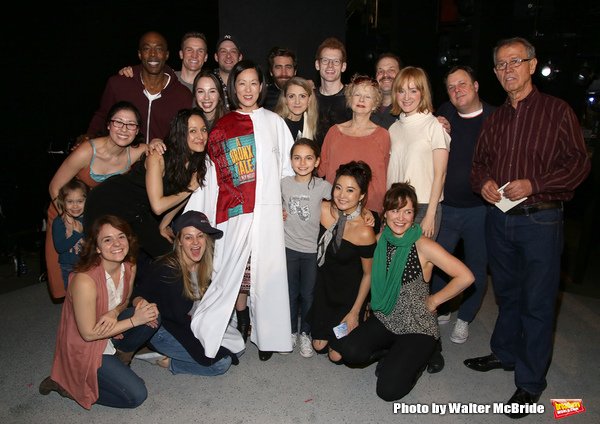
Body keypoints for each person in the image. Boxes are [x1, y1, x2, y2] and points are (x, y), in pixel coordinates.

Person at [467, 37, 591, 419]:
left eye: (515, 62)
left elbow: (579, 163)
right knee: (507, 295)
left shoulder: (557, 111)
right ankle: (504, 353)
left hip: (541, 219)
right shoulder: (497, 118)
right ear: (495, 73)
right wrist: (483, 183)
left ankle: (531, 381)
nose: (508, 70)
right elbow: (478, 166)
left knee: (537, 304)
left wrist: (534, 184)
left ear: (532, 65)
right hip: (499, 220)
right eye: (501, 65)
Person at [189, 59, 294, 362]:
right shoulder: (222, 127)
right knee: (230, 272)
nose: (247, 90)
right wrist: (198, 216)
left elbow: (287, 170)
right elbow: (212, 178)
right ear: (233, 88)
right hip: (236, 213)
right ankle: (220, 325)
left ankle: (268, 336)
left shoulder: (275, 122)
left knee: (268, 274)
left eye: (253, 83)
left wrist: (284, 204)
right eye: (241, 83)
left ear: (261, 87)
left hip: (269, 211)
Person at [330, 182, 474, 402]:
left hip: (416, 325)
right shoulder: (379, 241)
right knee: (345, 352)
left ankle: (421, 355)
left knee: (388, 391)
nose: (401, 217)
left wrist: (434, 300)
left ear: (414, 215)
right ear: (385, 213)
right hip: (385, 317)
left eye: (407, 211)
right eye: (395, 210)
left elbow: (466, 276)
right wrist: (354, 312)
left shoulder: (423, 245)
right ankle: (393, 350)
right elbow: (360, 269)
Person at [39, 215, 159, 410]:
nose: (117, 244)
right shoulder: (84, 281)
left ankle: (120, 357)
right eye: (107, 240)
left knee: (153, 314)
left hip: (109, 329)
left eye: (121, 237)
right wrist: (134, 320)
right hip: (87, 343)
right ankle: (67, 385)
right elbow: (87, 334)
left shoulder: (130, 265)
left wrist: (115, 312)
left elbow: (124, 301)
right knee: (136, 396)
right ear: (96, 247)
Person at [46, 101, 161, 299]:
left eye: (131, 124)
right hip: (69, 210)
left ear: (137, 130)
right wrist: (68, 218)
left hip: (99, 215)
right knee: (71, 272)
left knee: (102, 270)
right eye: (118, 122)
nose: (124, 129)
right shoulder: (86, 151)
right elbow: (55, 187)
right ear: (108, 124)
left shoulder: (134, 151)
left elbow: (153, 148)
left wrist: (157, 141)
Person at [84, 108, 209, 261]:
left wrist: (164, 225)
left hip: (139, 213)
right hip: (108, 203)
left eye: (203, 129)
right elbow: (158, 206)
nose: (201, 136)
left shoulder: (195, 161)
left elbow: (180, 195)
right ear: (181, 134)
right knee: (101, 261)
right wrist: (190, 187)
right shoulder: (158, 156)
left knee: (167, 255)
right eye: (193, 131)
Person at [430, 66, 496, 343]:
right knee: (438, 261)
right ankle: (442, 306)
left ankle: (465, 318)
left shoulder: (495, 117)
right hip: (447, 206)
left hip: (480, 209)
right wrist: (437, 122)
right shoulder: (445, 110)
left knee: (477, 265)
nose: (457, 90)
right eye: (451, 87)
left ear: (476, 85)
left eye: (462, 84)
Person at [132, 210, 239, 375]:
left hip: (191, 321)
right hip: (163, 328)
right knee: (221, 363)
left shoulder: (206, 264)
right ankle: (165, 360)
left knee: (237, 346)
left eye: (200, 236)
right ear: (179, 241)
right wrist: (141, 304)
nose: (195, 242)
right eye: (188, 237)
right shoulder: (167, 269)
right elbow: (136, 293)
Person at [310, 161, 377, 363]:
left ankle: (365, 320)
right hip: (324, 292)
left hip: (348, 298)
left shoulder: (365, 231)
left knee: (336, 355)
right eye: (338, 188)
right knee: (318, 345)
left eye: (350, 190)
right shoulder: (323, 210)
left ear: (362, 195)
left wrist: (355, 312)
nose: (341, 195)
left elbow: (368, 274)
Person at [87, 31, 192, 144]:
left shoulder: (183, 95)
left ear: (166, 55)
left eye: (159, 49)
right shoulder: (118, 84)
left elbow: (184, 135)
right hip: (123, 159)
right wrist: (88, 137)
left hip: (163, 160)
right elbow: (102, 116)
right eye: (147, 49)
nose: (153, 54)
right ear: (139, 54)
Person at [281, 138, 332, 358]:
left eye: (308, 158)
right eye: (297, 158)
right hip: (288, 247)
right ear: (291, 161)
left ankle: (305, 333)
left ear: (317, 161)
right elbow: (271, 205)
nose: (303, 163)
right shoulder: (283, 183)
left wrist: (365, 214)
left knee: (308, 295)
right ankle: (291, 331)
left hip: (311, 251)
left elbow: (343, 202)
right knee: (290, 293)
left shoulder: (323, 186)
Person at [386, 66, 450, 240]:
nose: (406, 97)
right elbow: (392, 172)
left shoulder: (434, 126)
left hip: (424, 206)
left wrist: (430, 215)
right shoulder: (394, 128)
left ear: (422, 93)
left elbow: (441, 175)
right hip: (395, 206)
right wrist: (388, 209)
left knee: (419, 265)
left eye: (413, 91)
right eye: (401, 91)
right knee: (396, 265)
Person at [319, 74, 390, 218]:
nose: (362, 100)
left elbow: (387, 175)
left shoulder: (382, 136)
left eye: (368, 96)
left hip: (369, 211)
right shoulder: (334, 132)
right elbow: (320, 171)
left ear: (375, 104)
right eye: (357, 94)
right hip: (335, 208)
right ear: (350, 98)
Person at [119, 31, 209, 92]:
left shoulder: (211, 86)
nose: (194, 55)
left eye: (200, 51)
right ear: (181, 54)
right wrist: (129, 71)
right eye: (189, 50)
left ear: (206, 57)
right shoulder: (166, 78)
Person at [313, 37, 352, 147]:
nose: (330, 65)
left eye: (336, 61)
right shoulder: (308, 98)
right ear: (317, 64)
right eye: (325, 60)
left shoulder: (353, 99)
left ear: (343, 66)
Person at [52, 179, 88, 289]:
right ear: (63, 202)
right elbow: (60, 247)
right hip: (69, 266)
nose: (75, 206)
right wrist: (77, 234)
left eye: (80, 201)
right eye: (70, 201)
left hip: (89, 263)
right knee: (73, 296)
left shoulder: (89, 218)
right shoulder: (59, 222)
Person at [371, 53, 402, 129]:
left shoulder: (408, 109)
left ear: (401, 74)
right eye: (380, 71)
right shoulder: (366, 107)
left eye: (391, 70)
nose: (385, 75)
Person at [212, 34, 243, 110]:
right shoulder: (208, 81)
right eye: (223, 51)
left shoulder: (247, 83)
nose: (228, 56)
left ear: (240, 57)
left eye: (233, 51)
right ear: (216, 57)